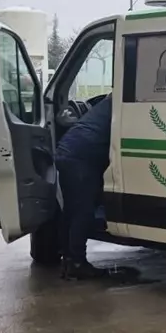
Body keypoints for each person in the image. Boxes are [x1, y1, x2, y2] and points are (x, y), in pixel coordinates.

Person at [55, 94, 114, 280]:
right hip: (81, 157)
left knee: (71, 210)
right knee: (83, 211)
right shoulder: (121, 105)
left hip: (67, 150)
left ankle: (68, 260)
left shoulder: (106, 103)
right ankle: (78, 263)